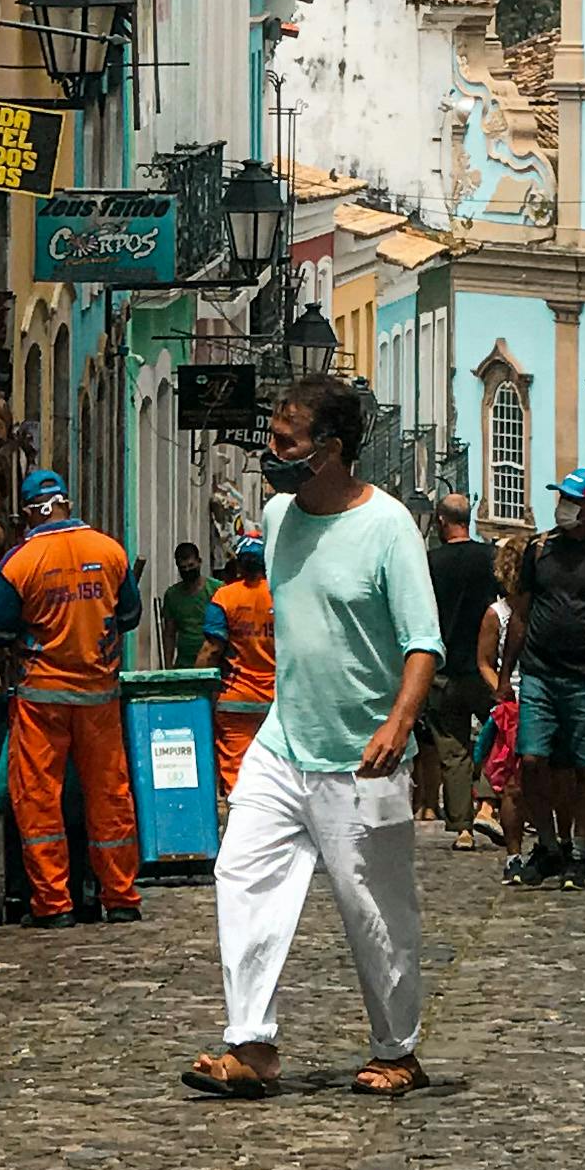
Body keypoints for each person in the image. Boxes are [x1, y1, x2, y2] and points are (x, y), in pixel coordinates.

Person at [183, 379, 443, 1100]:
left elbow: (423, 641)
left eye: (286, 443)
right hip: (281, 742)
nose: (272, 455)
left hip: (363, 760)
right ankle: (251, 1044)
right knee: (242, 875)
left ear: (330, 451)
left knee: (375, 912)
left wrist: (399, 723)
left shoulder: (389, 527)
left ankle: (398, 1050)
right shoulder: (276, 516)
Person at [0, 469, 144, 930]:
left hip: (41, 697)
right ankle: (121, 897)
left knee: (38, 798)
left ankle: (54, 904)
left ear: (31, 513)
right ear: (66, 504)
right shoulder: (109, 552)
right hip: (98, 695)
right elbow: (128, 615)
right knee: (110, 795)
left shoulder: (21, 561)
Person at [504, 464, 585, 892]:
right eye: (563, 499)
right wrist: (506, 672)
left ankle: (579, 854)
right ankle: (547, 845)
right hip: (541, 673)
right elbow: (521, 615)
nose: (565, 507)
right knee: (531, 759)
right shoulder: (539, 550)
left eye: (574, 501)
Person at [420, 489, 501, 847]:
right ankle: (487, 804)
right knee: (499, 735)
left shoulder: (430, 563)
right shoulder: (491, 559)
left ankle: (464, 828)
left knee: (452, 750)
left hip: (443, 669)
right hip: (485, 667)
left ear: (441, 521)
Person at [195, 526, 277, 804]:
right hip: (278, 702)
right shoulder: (282, 595)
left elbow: (211, 649)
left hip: (236, 701)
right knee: (276, 774)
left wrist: (196, 685)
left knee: (237, 775)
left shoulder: (225, 597)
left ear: (239, 563)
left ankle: (239, 829)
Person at [478, 539, 528, 872]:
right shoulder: (497, 614)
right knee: (512, 780)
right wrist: (502, 689)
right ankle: (514, 852)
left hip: (543, 695)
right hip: (512, 704)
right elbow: (484, 660)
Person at [159, 538, 214, 667]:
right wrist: (168, 667)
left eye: (191, 566)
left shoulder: (217, 590)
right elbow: (169, 633)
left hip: (212, 662)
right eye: (183, 568)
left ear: (199, 562)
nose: (187, 571)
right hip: (184, 664)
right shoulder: (172, 595)